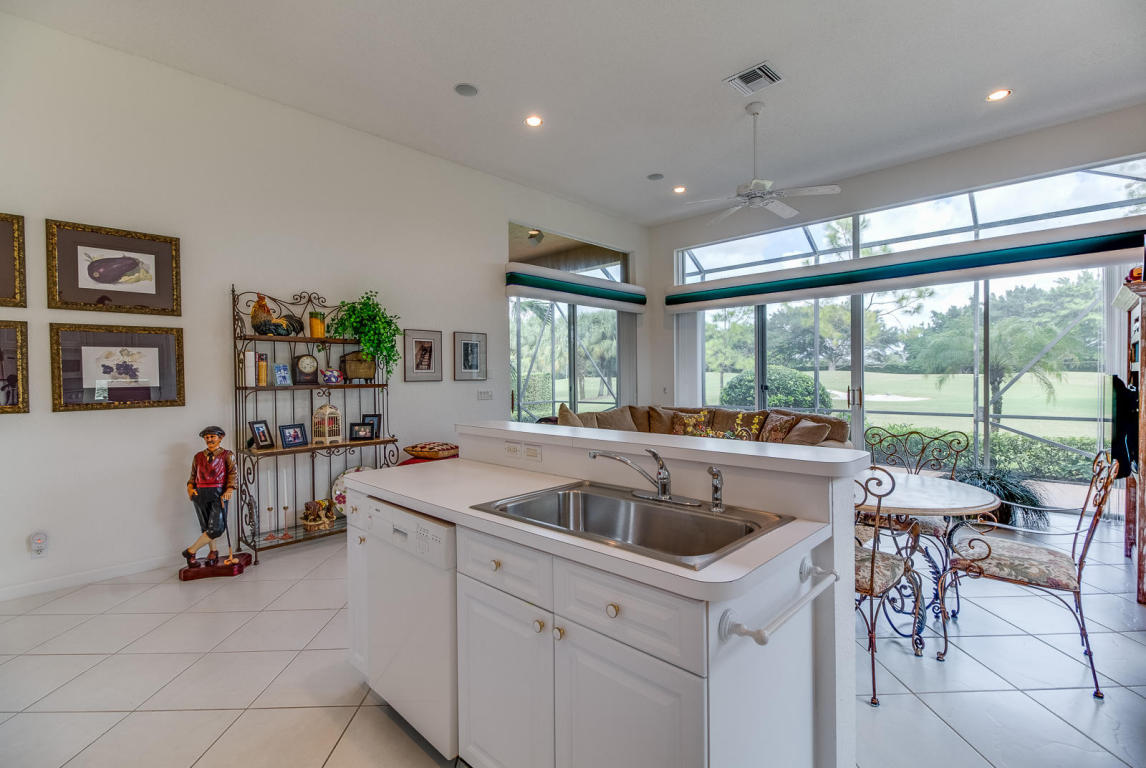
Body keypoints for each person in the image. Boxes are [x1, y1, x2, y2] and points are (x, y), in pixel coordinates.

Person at [183, 426, 238, 567]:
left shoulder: (227, 455)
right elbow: (193, 475)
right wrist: (190, 488)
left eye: (212, 436)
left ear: (220, 438)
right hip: (200, 493)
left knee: (217, 528)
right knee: (207, 526)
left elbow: (233, 473)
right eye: (207, 437)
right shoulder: (198, 457)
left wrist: (230, 489)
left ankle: (191, 551)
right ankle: (213, 551)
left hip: (218, 493)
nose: (209, 439)